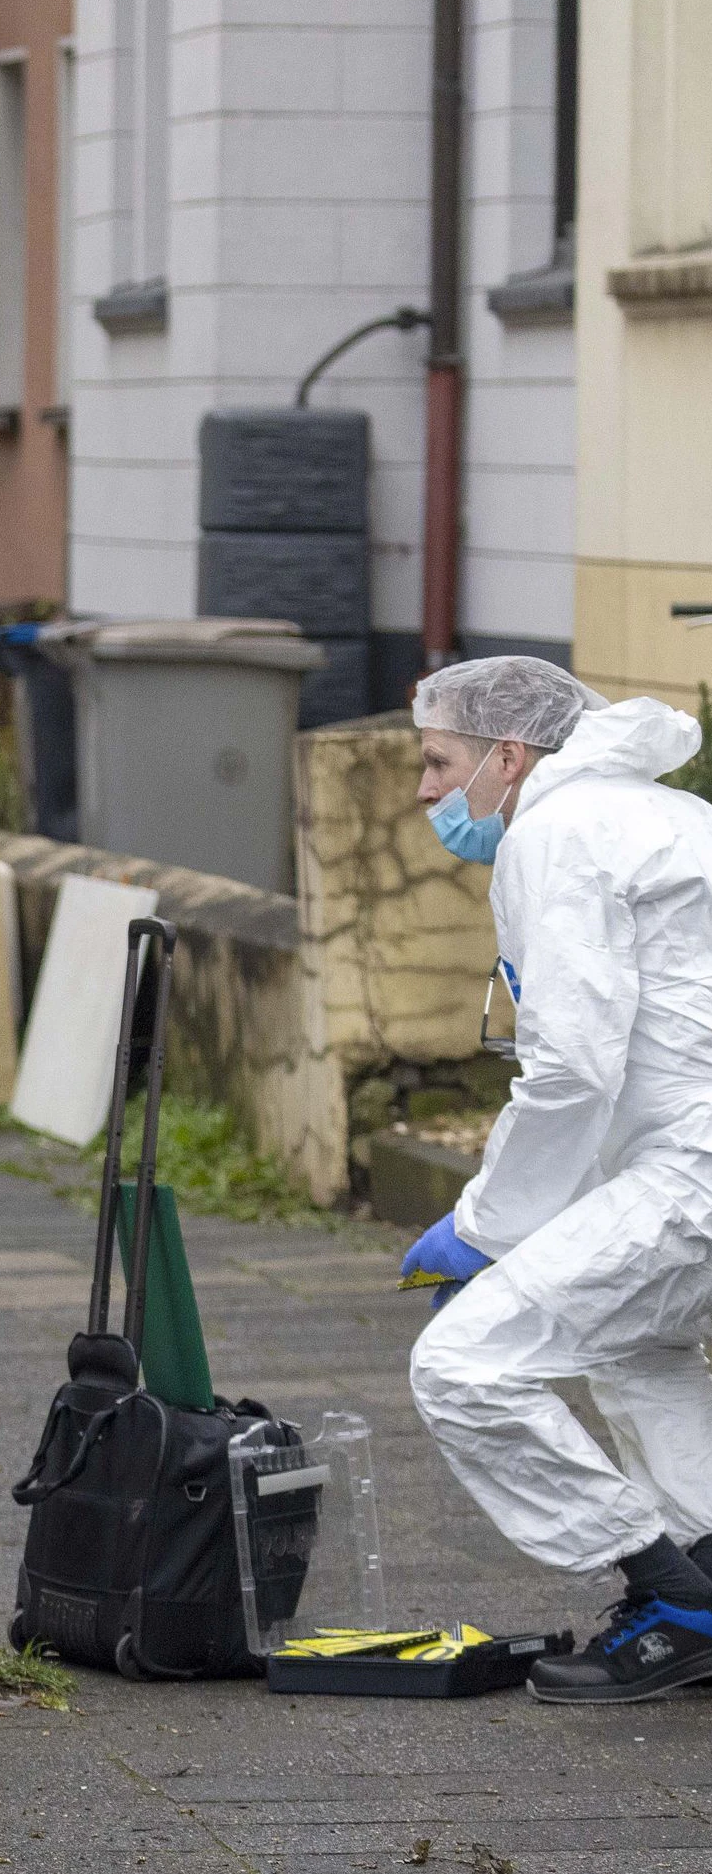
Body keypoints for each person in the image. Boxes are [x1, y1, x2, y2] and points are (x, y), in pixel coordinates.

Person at [397, 654, 712, 1703]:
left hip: (691, 1167)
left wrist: (484, 1228)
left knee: (463, 1366)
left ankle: (673, 1601)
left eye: (437, 762)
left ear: (506, 753)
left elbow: (575, 1063)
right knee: (632, 1349)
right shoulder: (664, 815)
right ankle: (705, 1579)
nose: (424, 790)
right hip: (682, 1158)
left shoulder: (555, 832)